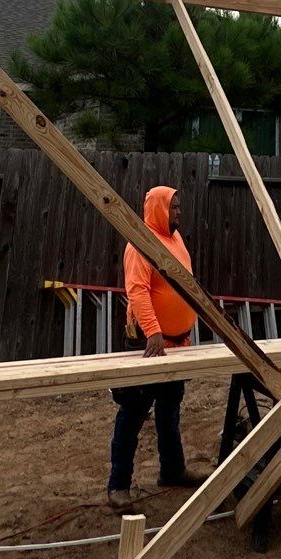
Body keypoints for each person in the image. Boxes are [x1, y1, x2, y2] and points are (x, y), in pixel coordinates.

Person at [107, 185, 206, 511]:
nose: (178, 213)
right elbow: (137, 291)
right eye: (173, 207)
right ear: (159, 209)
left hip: (176, 344)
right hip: (148, 343)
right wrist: (153, 333)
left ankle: (172, 470)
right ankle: (118, 485)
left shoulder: (175, 240)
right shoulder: (141, 243)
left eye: (179, 207)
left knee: (170, 408)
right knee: (134, 412)